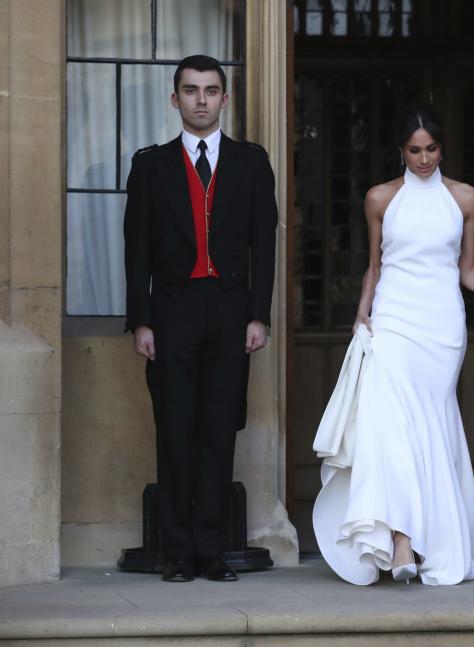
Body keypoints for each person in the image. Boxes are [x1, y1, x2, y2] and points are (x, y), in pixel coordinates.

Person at [312, 106, 474, 586]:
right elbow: (375, 263)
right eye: (415, 149)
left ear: (442, 148)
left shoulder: (466, 198)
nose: (424, 158)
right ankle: (402, 540)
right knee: (390, 426)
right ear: (400, 151)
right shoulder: (380, 198)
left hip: (442, 327)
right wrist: (362, 313)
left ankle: (426, 538)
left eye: (431, 148)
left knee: (429, 428)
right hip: (392, 320)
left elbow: (466, 269)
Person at [123, 55, 278, 583]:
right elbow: (135, 250)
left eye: (211, 90)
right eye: (191, 90)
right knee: (174, 431)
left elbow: (266, 245)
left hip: (231, 312)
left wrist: (259, 316)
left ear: (224, 99)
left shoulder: (252, 163)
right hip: (171, 312)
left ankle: (211, 551)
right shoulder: (150, 165)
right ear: (175, 99)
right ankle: (176, 552)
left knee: (218, 431)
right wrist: (141, 320)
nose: (201, 100)